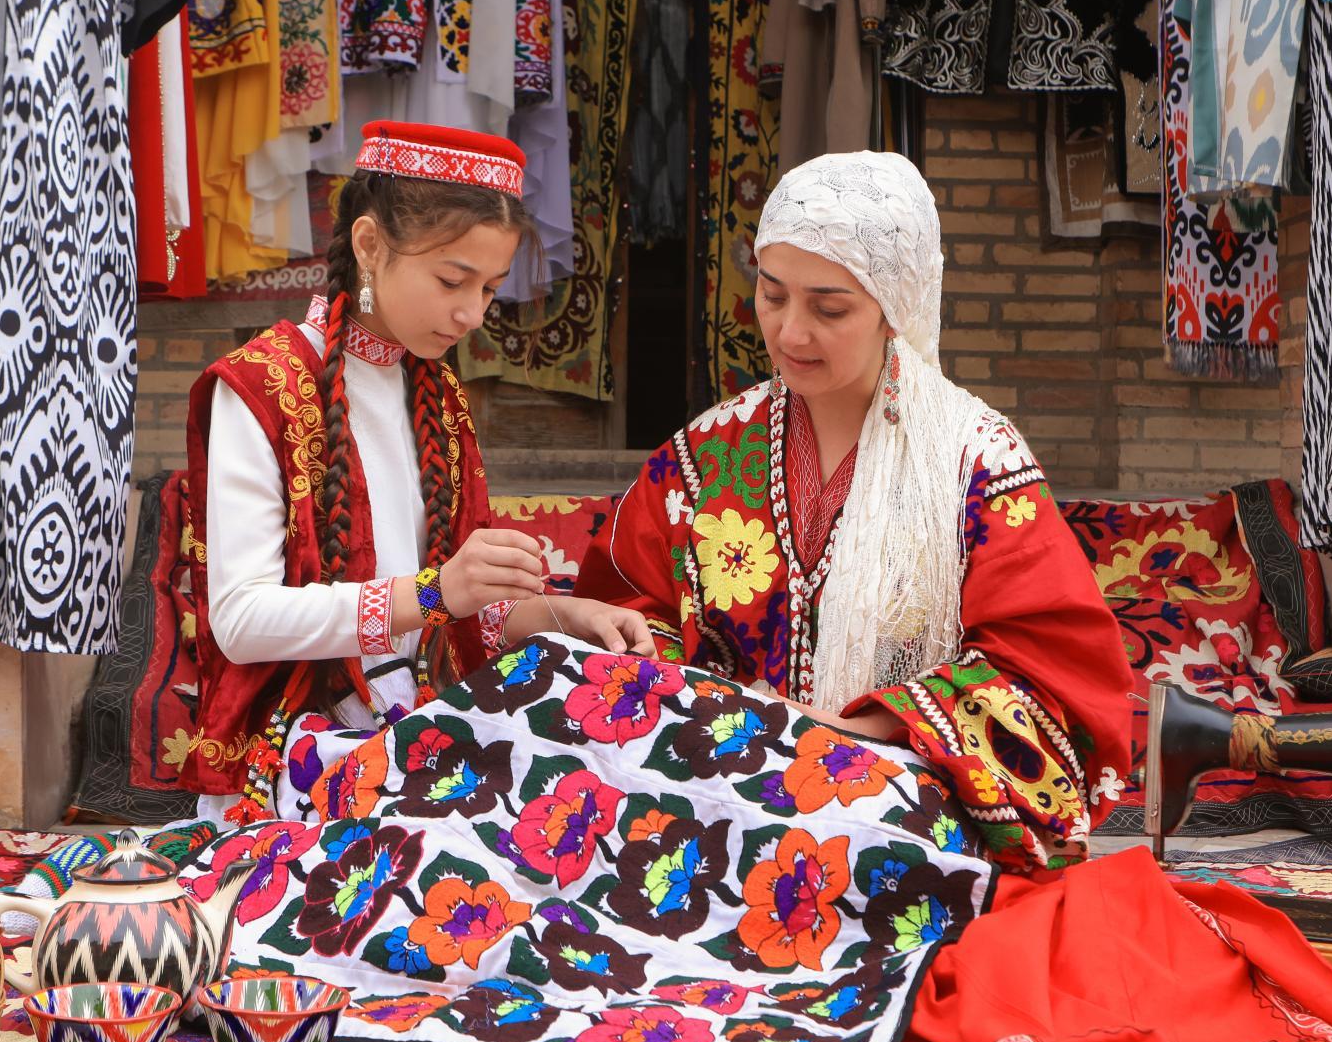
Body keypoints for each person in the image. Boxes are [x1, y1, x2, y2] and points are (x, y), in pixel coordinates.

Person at [578, 150, 1136, 870]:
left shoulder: (976, 462)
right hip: (719, 780)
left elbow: (1050, 675)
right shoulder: (705, 454)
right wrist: (696, 700)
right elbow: (625, 606)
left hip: (899, 788)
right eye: (773, 295)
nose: (790, 332)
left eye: (829, 307)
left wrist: (871, 726)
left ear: (893, 308)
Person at [156, 122, 652, 813]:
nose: (470, 313)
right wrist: (432, 593)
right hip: (302, 759)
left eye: (490, 289)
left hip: (420, 738)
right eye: (453, 280)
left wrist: (567, 614)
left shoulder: (438, 397)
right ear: (368, 245)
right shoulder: (263, 385)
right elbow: (240, 621)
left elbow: (463, 613)